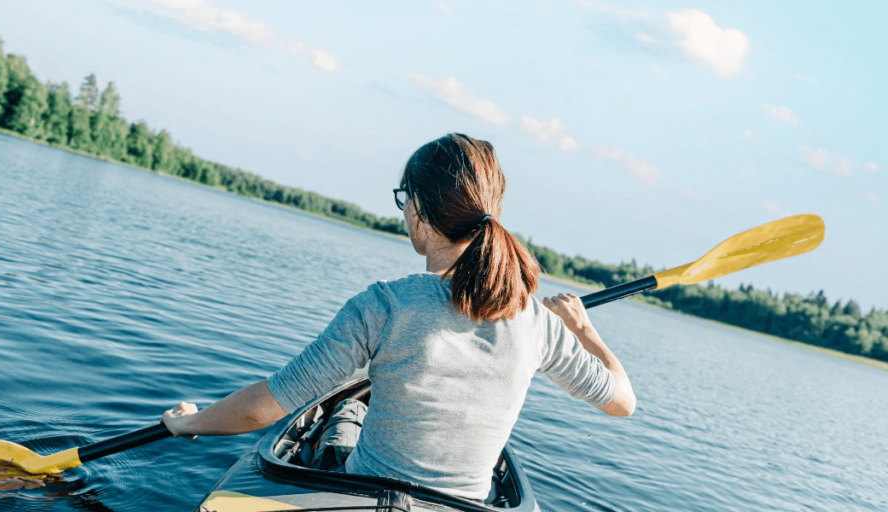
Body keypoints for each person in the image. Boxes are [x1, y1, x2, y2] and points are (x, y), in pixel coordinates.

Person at [162, 133, 636, 500]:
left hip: (362, 494)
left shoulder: (384, 306)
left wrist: (192, 422)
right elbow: (622, 402)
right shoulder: (539, 324)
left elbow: (268, 405)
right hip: (465, 502)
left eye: (403, 197)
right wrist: (584, 330)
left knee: (345, 409)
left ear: (419, 211)